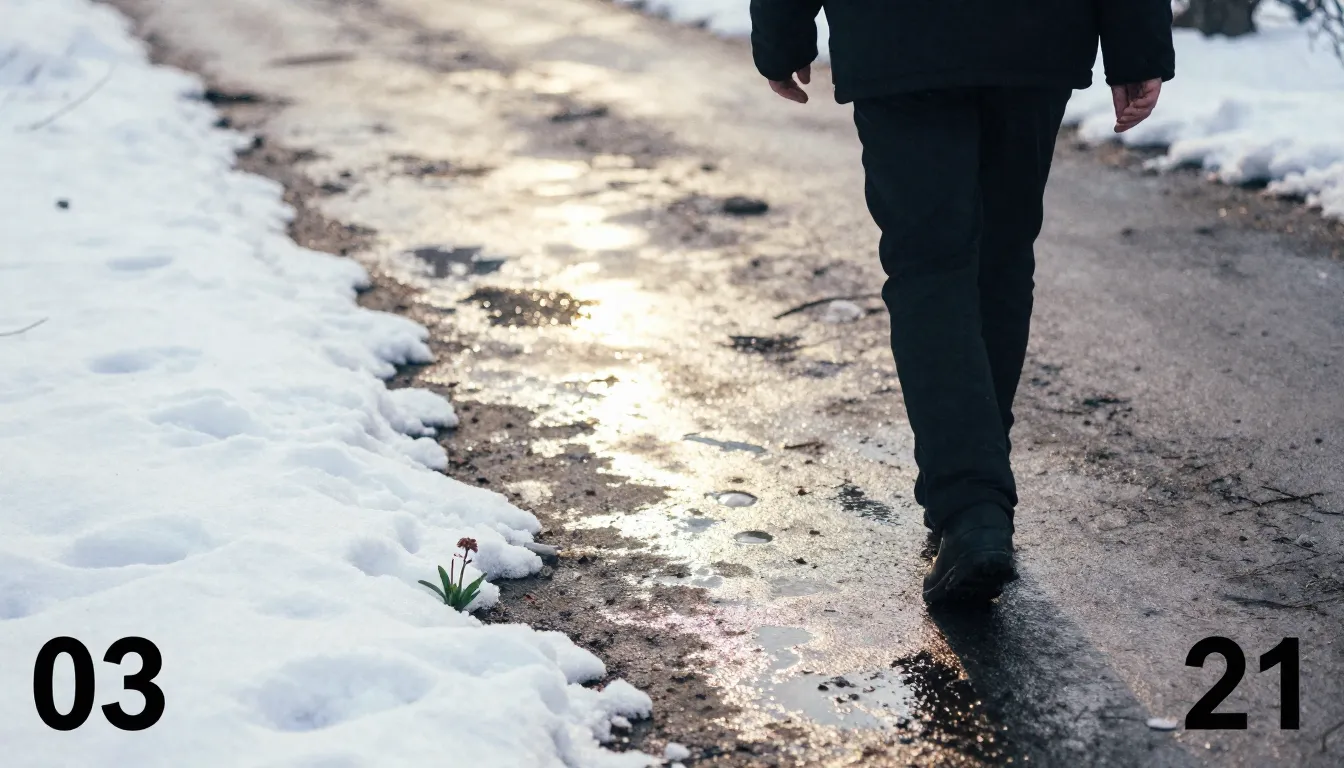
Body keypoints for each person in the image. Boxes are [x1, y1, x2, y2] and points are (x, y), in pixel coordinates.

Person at [749, 1, 1174, 605]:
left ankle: (972, 504)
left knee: (931, 267)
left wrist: (782, 31)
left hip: (899, 34)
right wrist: (1137, 43)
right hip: (1033, 35)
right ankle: (976, 497)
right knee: (999, 262)